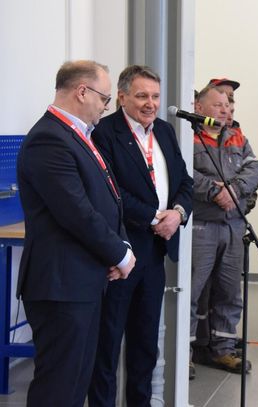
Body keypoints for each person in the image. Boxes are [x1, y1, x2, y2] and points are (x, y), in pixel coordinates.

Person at [16, 60, 136, 407]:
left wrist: (121, 242)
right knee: (59, 387)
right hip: (61, 285)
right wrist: (120, 254)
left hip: (82, 281)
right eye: (104, 97)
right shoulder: (48, 139)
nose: (106, 106)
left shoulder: (77, 135)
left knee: (76, 382)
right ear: (82, 91)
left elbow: (108, 198)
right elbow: (76, 213)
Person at [88, 65, 193, 406]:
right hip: (121, 252)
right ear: (122, 97)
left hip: (156, 252)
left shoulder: (164, 130)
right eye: (142, 96)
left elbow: (184, 182)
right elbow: (110, 191)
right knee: (107, 344)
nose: (151, 103)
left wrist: (178, 213)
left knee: (146, 343)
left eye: (156, 96)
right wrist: (153, 217)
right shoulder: (104, 133)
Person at [190, 85, 258, 375]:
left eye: (227, 105)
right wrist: (213, 191)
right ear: (199, 107)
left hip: (233, 226)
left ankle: (224, 350)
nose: (224, 109)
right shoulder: (188, 136)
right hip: (201, 226)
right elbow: (185, 172)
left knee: (230, 292)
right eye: (217, 104)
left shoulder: (237, 137)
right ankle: (185, 353)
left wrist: (233, 190)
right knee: (192, 292)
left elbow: (253, 170)